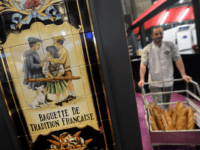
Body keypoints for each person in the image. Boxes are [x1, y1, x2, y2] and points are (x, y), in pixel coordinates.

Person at [138, 25, 192, 110]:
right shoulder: (146, 49)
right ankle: (163, 121)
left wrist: (183, 74)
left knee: (166, 105)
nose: (159, 35)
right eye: (156, 34)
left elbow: (178, 60)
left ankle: (165, 120)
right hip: (154, 82)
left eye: (160, 33)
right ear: (152, 36)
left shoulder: (171, 45)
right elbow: (143, 65)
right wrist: (142, 79)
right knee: (160, 107)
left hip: (168, 80)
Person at [47, 35, 76, 102]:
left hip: (66, 69)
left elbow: (61, 61)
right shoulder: (57, 50)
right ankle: (69, 95)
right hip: (61, 70)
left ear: (59, 43)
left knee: (68, 82)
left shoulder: (63, 51)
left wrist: (51, 60)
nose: (54, 44)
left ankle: (73, 95)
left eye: (55, 42)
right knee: (65, 84)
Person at [23, 37, 52, 102]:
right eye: (38, 44)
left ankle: (45, 99)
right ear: (33, 45)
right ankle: (42, 100)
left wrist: (43, 62)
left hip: (39, 73)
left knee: (43, 86)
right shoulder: (29, 54)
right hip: (35, 74)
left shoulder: (34, 53)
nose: (39, 46)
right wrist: (40, 65)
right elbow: (30, 65)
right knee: (38, 87)